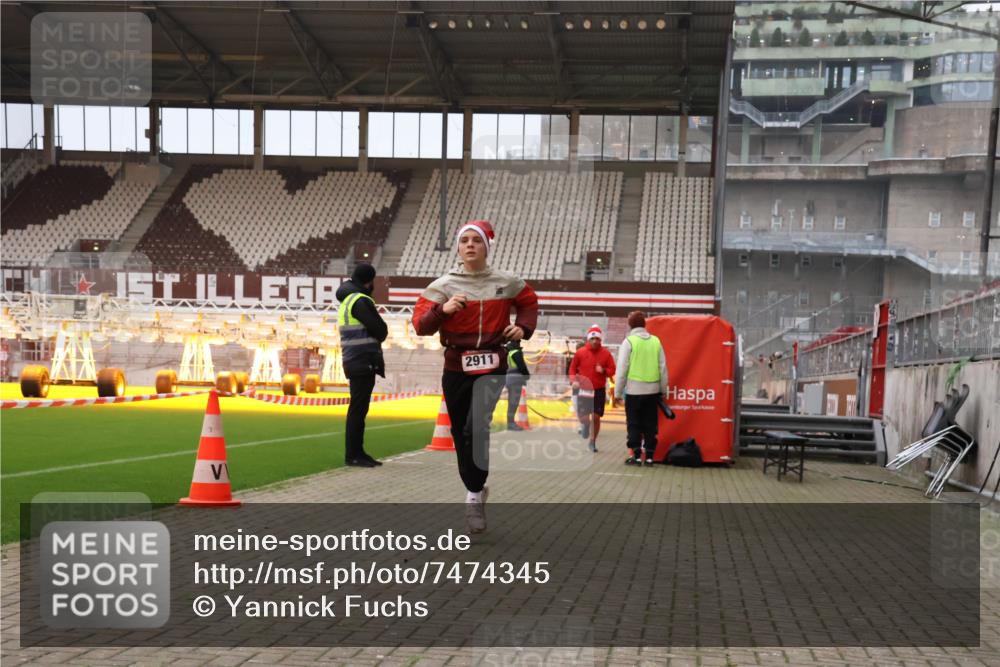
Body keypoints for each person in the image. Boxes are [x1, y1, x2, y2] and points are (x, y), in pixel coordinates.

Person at [413, 220, 538, 533]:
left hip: (492, 365)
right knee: (460, 431)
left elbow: (528, 301)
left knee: (476, 427)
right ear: (458, 247)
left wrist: (522, 328)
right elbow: (420, 326)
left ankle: (472, 495)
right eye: (464, 240)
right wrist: (443, 310)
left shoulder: (507, 282)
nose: (470, 245)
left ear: (487, 246)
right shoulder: (442, 286)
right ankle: (476, 488)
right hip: (456, 366)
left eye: (476, 240)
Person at [336, 263, 388, 468]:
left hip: (355, 359)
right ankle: (353, 455)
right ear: (369, 281)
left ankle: (358, 452)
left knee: (358, 409)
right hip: (362, 360)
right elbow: (380, 330)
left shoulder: (348, 299)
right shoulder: (360, 300)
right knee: (358, 410)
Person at [614, 311, 669, 466]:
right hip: (652, 392)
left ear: (630, 325)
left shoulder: (628, 342)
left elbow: (622, 369)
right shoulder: (656, 341)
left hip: (633, 391)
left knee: (634, 424)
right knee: (650, 424)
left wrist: (617, 392)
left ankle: (637, 456)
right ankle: (650, 456)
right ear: (644, 324)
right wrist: (663, 390)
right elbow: (663, 368)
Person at [568, 325, 616, 452]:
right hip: (584, 389)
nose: (595, 341)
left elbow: (612, 370)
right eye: (592, 339)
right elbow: (572, 369)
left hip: (598, 389)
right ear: (589, 339)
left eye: (597, 339)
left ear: (600, 340)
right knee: (583, 417)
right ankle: (585, 424)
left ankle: (592, 441)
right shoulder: (580, 352)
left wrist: (603, 370)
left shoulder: (606, 354)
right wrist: (573, 381)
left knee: (596, 417)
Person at [504, 340, 530, 430]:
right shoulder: (516, 352)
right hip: (515, 380)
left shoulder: (509, 352)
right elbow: (522, 367)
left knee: (511, 403)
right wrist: (527, 376)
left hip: (509, 378)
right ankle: (511, 424)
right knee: (513, 403)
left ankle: (510, 423)